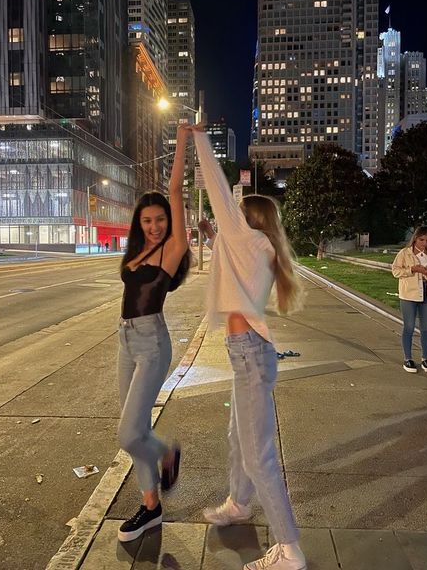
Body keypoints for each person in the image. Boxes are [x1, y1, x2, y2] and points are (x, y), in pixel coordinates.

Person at [193, 127, 306, 570]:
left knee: (259, 456)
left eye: (237, 215)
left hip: (249, 355)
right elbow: (228, 254)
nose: (230, 219)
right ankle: (239, 504)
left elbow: (218, 188)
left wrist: (199, 138)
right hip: (248, 352)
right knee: (237, 439)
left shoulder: (248, 240)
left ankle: (290, 549)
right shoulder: (258, 246)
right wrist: (211, 232)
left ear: (250, 218)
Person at [117, 125, 192, 543]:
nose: (154, 226)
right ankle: (151, 508)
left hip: (152, 342)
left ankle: (167, 452)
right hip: (125, 339)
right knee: (135, 426)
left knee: (129, 434)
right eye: (147, 220)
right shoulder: (138, 249)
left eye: (160, 218)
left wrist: (181, 139)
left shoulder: (172, 249)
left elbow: (176, 188)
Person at [392, 226, 427, 373]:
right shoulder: (405, 253)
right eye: (421, 240)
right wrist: (412, 270)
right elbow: (395, 271)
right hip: (409, 294)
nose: (424, 243)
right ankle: (408, 358)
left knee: (426, 328)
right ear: (415, 238)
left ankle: (425, 358)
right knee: (409, 326)